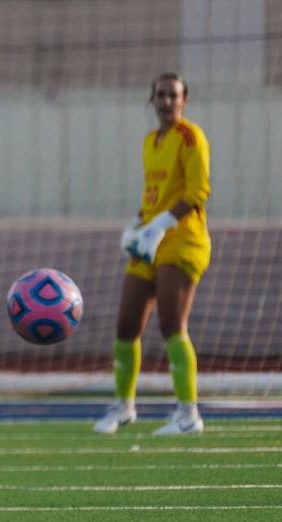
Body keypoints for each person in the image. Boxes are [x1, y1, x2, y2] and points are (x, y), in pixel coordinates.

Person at [94, 72, 211, 436]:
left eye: (174, 96)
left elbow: (197, 192)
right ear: (152, 99)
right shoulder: (149, 141)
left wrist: (160, 224)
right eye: (161, 95)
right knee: (126, 325)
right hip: (150, 242)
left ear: (184, 101)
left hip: (182, 241)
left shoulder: (190, 137)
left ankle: (188, 414)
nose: (167, 102)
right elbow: (153, 193)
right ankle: (124, 406)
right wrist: (137, 225)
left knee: (172, 325)